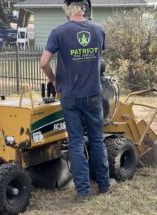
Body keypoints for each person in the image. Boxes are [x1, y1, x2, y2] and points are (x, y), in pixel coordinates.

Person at [40, 0, 110, 202]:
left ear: (67, 9)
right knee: (97, 140)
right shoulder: (98, 29)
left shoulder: (58, 32)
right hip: (94, 95)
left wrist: (53, 79)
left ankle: (83, 192)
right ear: (84, 7)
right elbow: (98, 58)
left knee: (76, 142)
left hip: (70, 97)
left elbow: (44, 62)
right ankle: (104, 186)